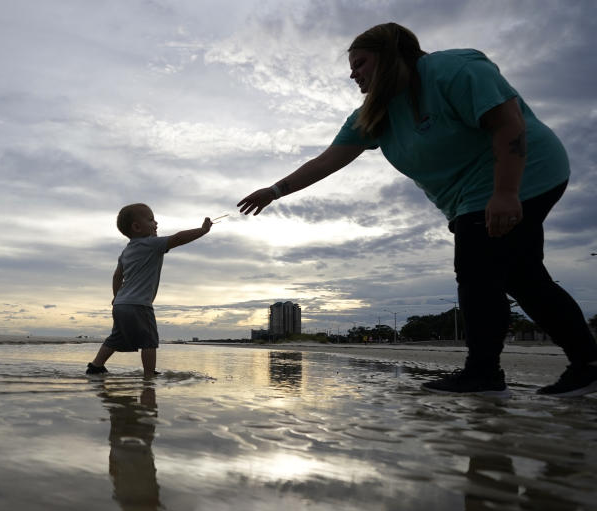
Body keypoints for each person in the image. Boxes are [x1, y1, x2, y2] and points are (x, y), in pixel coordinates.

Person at [237, 22, 597, 397]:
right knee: (522, 277)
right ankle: (586, 364)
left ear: (391, 56)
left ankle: (483, 374)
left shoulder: (452, 70)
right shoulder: (375, 114)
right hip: (469, 197)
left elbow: (508, 123)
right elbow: (328, 160)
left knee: (478, 267)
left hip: (525, 172)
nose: (352, 73)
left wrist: (506, 192)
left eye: (360, 63)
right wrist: (275, 191)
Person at [87, 203, 212, 376]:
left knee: (116, 338)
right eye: (151, 220)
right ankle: (149, 374)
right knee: (149, 341)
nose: (156, 223)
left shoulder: (126, 252)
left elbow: (117, 276)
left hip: (120, 305)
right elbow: (177, 239)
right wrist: (202, 230)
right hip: (139, 305)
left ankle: (96, 366)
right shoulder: (152, 244)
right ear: (137, 227)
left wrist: (116, 298)